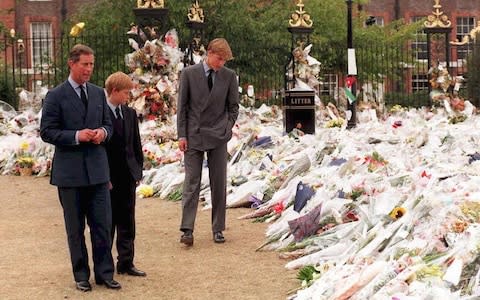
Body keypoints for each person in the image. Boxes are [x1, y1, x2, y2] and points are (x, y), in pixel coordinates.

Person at [40, 44, 120, 292]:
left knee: (102, 225)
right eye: (85, 64)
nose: (89, 69)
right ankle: (81, 275)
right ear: (71, 64)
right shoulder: (56, 96)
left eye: (91, 65)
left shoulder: (97, 94)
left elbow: (110, 125)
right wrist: (77, 135)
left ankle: (105, 274)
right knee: (75, 229)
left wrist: (101, 133)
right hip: (70, 174)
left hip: (97, 172)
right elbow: (47, 132)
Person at [177, 38, 239, 246]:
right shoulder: (188, 73)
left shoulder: (229, 77)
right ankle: (187, 229)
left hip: (218, 135)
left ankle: (218, 228)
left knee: (218, 182)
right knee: (191, 182)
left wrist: (227, 127)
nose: (221, 63)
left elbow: (233, 107)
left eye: (224, 60)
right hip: (194, 133)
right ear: (209, 53)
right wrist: (182, 135)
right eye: (219, 59)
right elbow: (182, 107)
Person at [104, 72, 146, 277]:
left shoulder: (129, 114)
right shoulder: (101, 113)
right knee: (108, 222)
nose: (128, 96)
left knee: (127, 221)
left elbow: (135, 144)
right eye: (126, 93)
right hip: (109, 177)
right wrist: (104, 177)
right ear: (114, 91)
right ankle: (106, 265)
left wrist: (138, 168)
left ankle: (126, 262)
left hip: (128, 174)